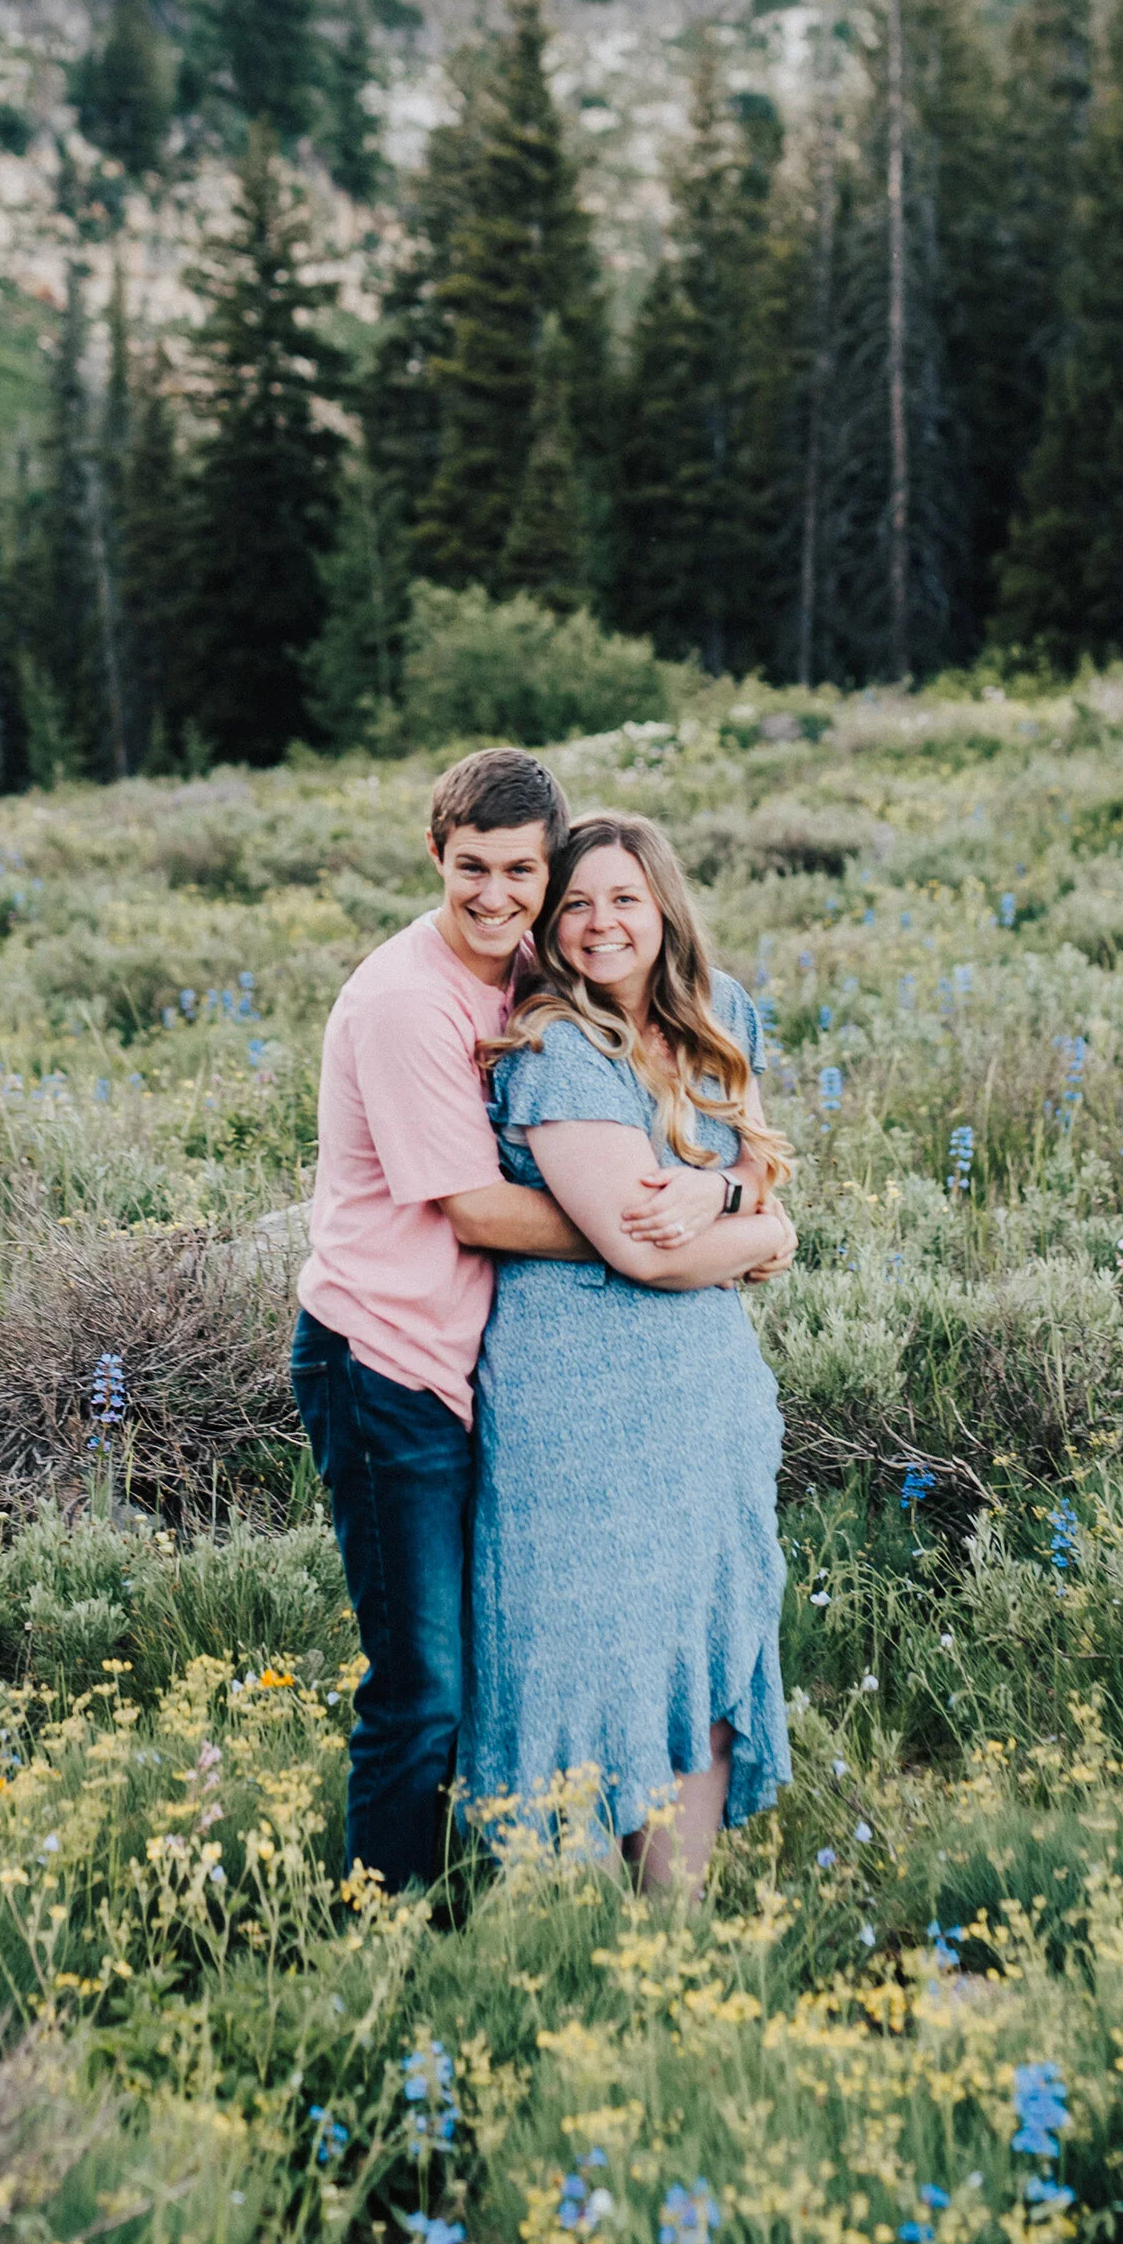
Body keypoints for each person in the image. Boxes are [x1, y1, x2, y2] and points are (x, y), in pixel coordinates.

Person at [291, 749, 734, 1893]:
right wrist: (654, 1233)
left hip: (484, 1372)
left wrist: (730, 1191)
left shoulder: (533, 960)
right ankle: (386, 1937)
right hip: (384, 1365)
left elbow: (666, 1044)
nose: (496, 894)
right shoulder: (405, 1000)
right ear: (436, 855)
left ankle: (480, 1903)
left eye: (521, 872)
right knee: (423, 1682)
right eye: (472, 867)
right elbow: (477, 1209)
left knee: (490, 1668)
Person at [463, 809, 797, 1892]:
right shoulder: (558, 1045)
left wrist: (733, 1195)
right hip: (581, 1403)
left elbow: (758, 1178)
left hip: (706, 1397)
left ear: (663, 907)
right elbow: (641, 1249)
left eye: (623, 899)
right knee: (599, 1653)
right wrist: (767, 1232)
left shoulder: (719, 1014)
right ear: (550, 928)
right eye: (574, 905)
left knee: (694, 1656)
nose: (600, 923)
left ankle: (674, 1932)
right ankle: (570, 1921)